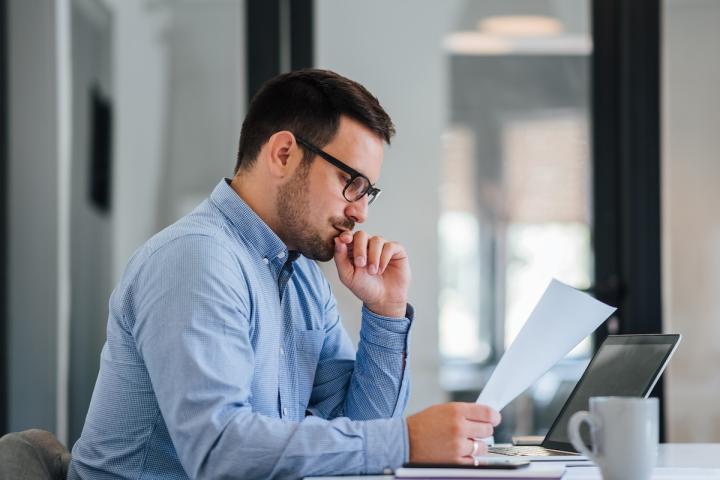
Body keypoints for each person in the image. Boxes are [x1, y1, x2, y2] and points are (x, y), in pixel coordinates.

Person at [69, 69, 500, 479]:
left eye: (368, 191)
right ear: (283, 154)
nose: (361, 211)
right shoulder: (196, 259)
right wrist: (405, 442)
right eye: (351, 182)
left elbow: (359, 427)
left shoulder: (303, 278)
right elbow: (219, 450)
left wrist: (385, 311)